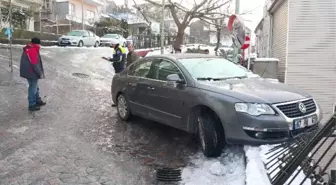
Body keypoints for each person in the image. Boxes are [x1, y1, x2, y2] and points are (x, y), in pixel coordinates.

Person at [19, 37, 46, 111]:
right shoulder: (32, 50)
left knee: (35, 86)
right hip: (31, 72)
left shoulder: (30, 48)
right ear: (37, 44)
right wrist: (40, 73)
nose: (40, 46)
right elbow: (34, 64)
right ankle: (32, 105)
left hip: (29, 71)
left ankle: (37, 100)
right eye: (39, 44)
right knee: (33, 88)